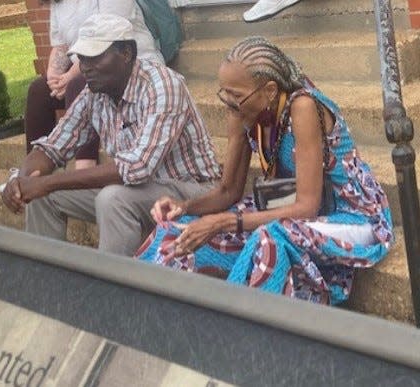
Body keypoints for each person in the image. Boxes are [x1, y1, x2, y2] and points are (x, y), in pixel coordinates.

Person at [136, 36, 394, 305]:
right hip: (291, 207)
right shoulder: (243, 111)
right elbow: (228, 191)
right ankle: (146, 312)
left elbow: (307, 206)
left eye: (235, 95)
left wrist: (223, 222)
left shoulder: (303, 107)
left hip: (350, 215)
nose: (228, 102)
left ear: (270, 91)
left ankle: (241, 325)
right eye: (223, 91)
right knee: (179, 229)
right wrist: (185, 207)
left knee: (269, 238)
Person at [0, 14, 221, 256]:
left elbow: (138, 167)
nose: (86, 68)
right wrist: (22, 183)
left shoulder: (163, 86)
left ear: (126, 53)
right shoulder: (95, 92)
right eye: (82, 59)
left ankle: (114, 289)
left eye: (95, 58)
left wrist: (45, 182)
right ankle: (48, 283)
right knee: (43, 197)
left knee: (112, 198)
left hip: (191, 192)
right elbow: (53, 147)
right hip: (136, 192)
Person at [25, 0, 164, 171]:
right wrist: (54, 75)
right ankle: (34, 170)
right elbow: (60, 45)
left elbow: (111, 41)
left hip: (127, 64)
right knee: (39, 90)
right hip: (87, 67)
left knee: (80, 83)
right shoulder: (59, 3)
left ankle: (85, 166)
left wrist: (70, 76)